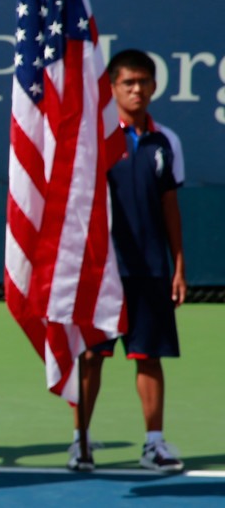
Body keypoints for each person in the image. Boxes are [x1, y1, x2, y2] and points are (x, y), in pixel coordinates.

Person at [70, 49, 186, 473]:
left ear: (154, 86)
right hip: (102, 271)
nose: (137, 90)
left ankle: (154, 444)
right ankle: (80, 441)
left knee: (148, 356)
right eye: (128, 83)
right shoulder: (95, 140)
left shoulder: (166, 141)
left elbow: (170, 207)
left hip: (152, 270)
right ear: (114, 88)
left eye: (144, 82)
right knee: (92, 356)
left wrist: (178, 266)